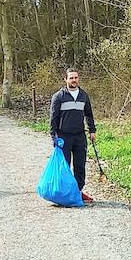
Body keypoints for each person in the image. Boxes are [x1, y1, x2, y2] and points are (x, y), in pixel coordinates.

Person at [49, 68, 96, 203]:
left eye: (76, 77)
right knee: (64, 166)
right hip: (64, 136)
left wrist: (92, 130)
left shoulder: (83, 95)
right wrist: (53, 136)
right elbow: (53, 117)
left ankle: (78, 192)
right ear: (66, 80)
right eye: (71, 78)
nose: (74, 80)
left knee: (80, 166)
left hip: (80, 136)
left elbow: (89, 114)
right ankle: (63, 195)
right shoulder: (59, 96)